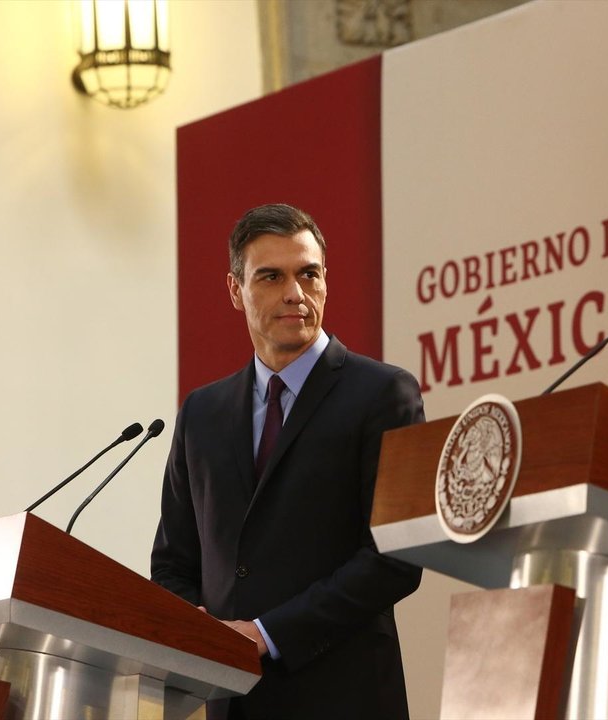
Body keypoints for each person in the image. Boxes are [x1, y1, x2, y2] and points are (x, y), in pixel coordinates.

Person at [151, 203, 424, 719]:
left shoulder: (384, 393)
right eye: (271, 276)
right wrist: (204, 634)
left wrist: (266, 634)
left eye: (308, 274)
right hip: (231, 701)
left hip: (345, 698)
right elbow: (172, 564)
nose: (294, 293)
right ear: (236, 291)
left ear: (325, 282)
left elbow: (395, 557)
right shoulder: (201, 413)